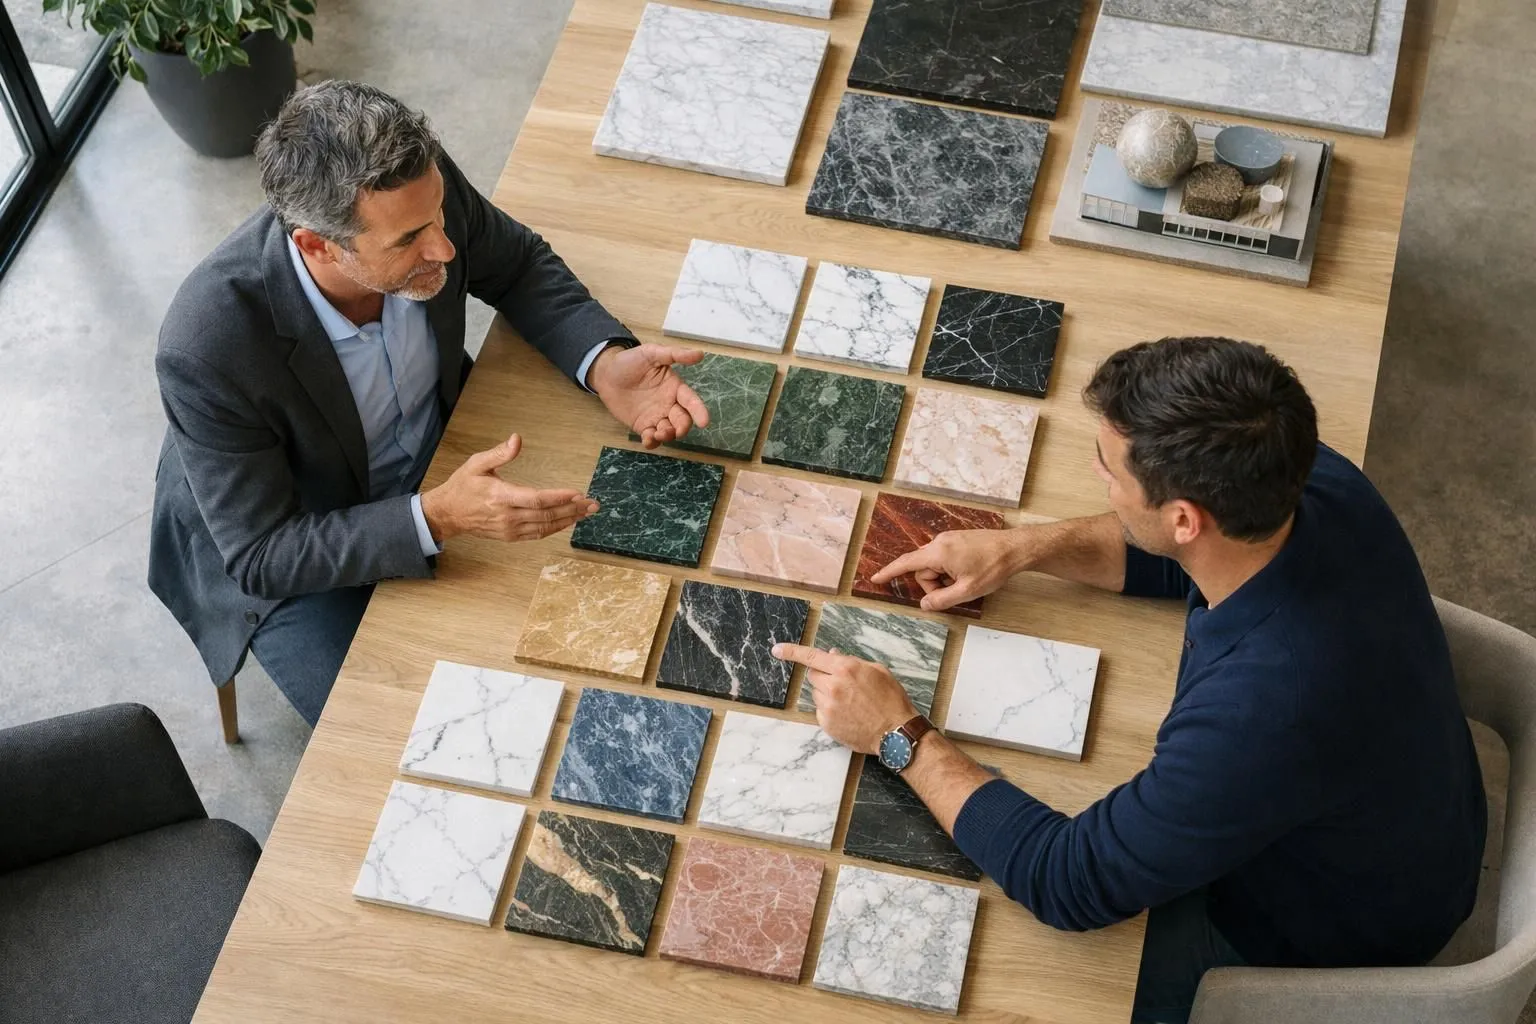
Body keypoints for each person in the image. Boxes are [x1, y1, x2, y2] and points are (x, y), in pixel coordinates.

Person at [775, 336, 1486, 1023]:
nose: (1099, 483)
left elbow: (1068, 882)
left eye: (1110, 470)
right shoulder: (1299, 473)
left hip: (1323, 931)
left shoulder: (1269, 708)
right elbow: (1174, 553)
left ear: (1184, 516)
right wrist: (1023, 549)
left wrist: (898, 735)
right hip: (1398, 812)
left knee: (993, 968)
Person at [149, 80, 709, 726]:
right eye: (409, 242)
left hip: (440, 456)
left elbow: (517, 265)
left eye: (440, 219)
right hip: (297, 553)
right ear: (316, 245)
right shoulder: (209, 344)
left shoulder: (418, 196)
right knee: (400, 734)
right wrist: (435, 516)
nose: (443, 248)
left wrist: (604, 363)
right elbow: (262, 555)